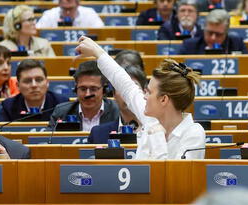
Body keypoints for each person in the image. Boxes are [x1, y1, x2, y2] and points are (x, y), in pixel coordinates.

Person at [76, 36, 206, 159]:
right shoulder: (152, 118)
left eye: (149, 92)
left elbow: (168, 177)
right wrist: (97, 51)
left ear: (163, 100)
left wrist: (156, 134)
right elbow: (127, 86)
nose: (144, 96)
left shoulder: (193, 133)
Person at [49, 60, 120, 132]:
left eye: (93, 89)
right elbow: (52, 141)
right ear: (75, 89)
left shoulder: (117, 113)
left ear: (104, 90)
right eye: (83, 89)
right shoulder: (61, 113)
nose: (87, 94)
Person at [88, 65, 148, 144]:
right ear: (114, 94)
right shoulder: (98, 134)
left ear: (145, 92)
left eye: (133, 88)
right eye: (121, 88)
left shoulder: (159, 130)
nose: (128, 95)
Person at [0, 59, 68, 122]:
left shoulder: (62, 104)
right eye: (27, 81)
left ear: (47, 83)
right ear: (18, 86)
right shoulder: (8, 106)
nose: (34, 85)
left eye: (39, 80)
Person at [179, 9, 246, 54]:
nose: (213, 38)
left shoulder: (237, 43)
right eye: (209, 33)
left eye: (218, 34)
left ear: (226, 33)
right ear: (204, 29)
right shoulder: (189, 45)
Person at [36, 0, 104, 28]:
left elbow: (100, 30)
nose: (68, 12)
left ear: (78, 5)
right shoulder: (49, 14)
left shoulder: (89, 13)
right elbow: (38, 30)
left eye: (71, 9)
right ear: (59, 4)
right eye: (65, 9)